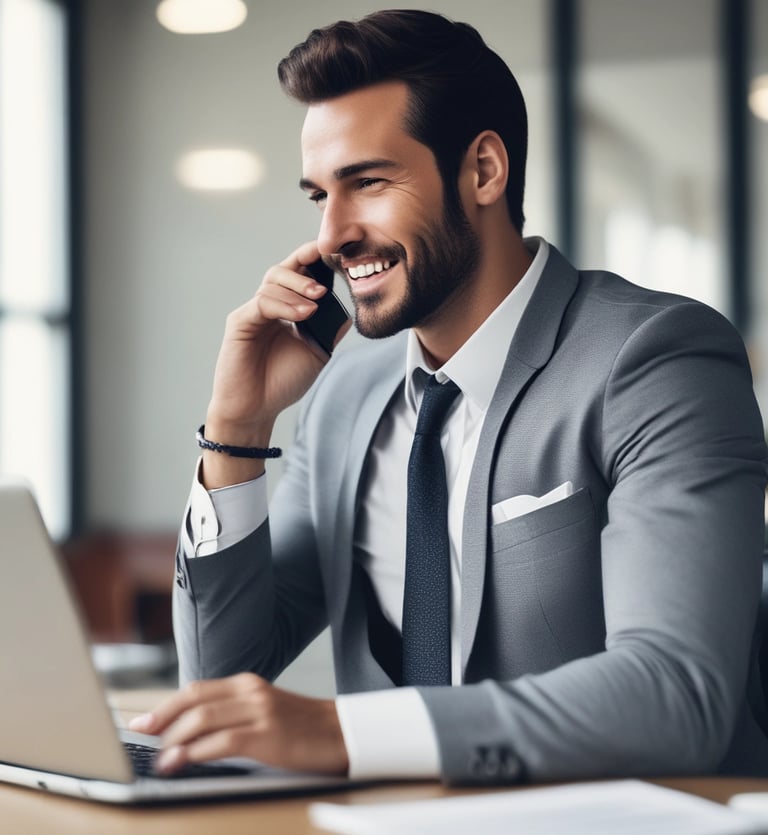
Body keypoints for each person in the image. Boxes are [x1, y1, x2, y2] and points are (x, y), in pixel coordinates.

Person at [129, 9, 768, 784]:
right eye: (318, 195)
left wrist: (345, 731)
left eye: (367, 182)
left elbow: (677, 693)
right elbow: (223, 677)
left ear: (484, 172)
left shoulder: (655, 357)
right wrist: (237, 428)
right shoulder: (346, 396)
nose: (333, 235)